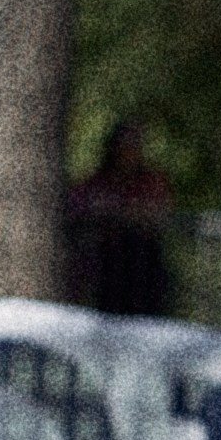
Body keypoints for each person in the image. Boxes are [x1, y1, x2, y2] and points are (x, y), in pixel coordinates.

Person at [64, 117, 174, 318]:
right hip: (105, 271)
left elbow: (156, 214)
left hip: (142, 269)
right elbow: (76, 204)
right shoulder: (99, 181)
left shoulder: (149, 181)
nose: (129, 151)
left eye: (134, 145)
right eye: (124, 145)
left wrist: (117, 211)